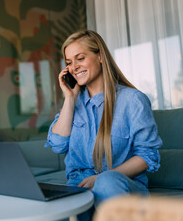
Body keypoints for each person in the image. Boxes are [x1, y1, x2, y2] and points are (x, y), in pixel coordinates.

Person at [45, 29, 162, 220]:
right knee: (53, 206)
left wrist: (99, 179)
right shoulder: (74, 103)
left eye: (80, 58)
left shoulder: (132, 100)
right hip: (79, 185)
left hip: (120, 185)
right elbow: (58, 145)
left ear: (100, 56)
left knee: (106, 182)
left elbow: (147, 156)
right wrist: (70, 98)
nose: (74, 67)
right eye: (68, 62)